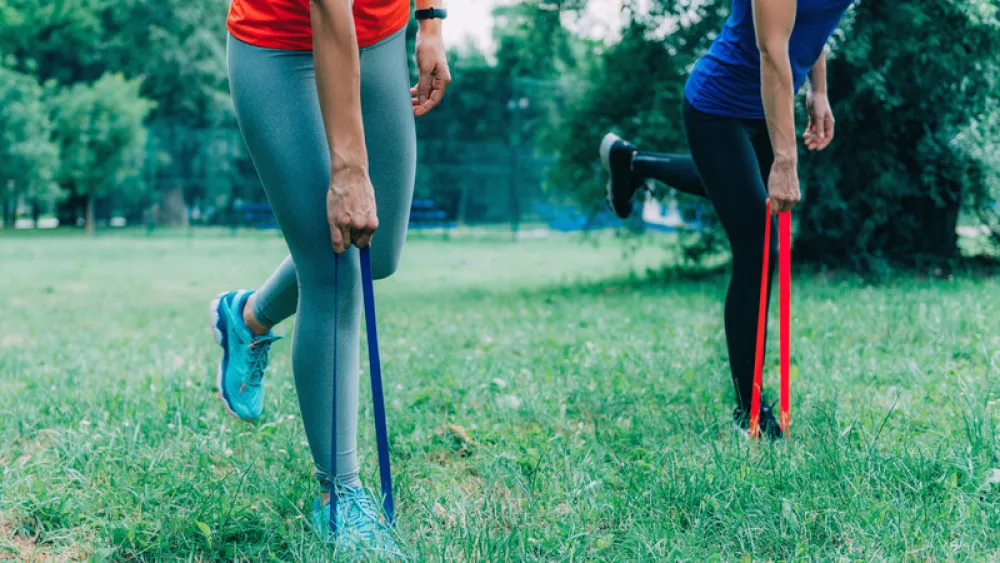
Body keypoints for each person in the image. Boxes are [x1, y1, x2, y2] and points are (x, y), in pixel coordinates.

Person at [210, 0, 451, 556]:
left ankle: (248, 316)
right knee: (337, 265)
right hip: (280, 47)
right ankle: (340, 495)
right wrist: (348, 169)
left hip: (380, 35)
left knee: (378, 253)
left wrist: (432, 21)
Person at [600, 0, 852, 440]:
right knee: (758, 243)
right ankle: (749, 409)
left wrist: (818, 89)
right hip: (720, 108)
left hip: (767, 105)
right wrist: (785, 160)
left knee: (730, 187)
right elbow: (772, 48)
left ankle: (633, 162)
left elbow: (812, 21)